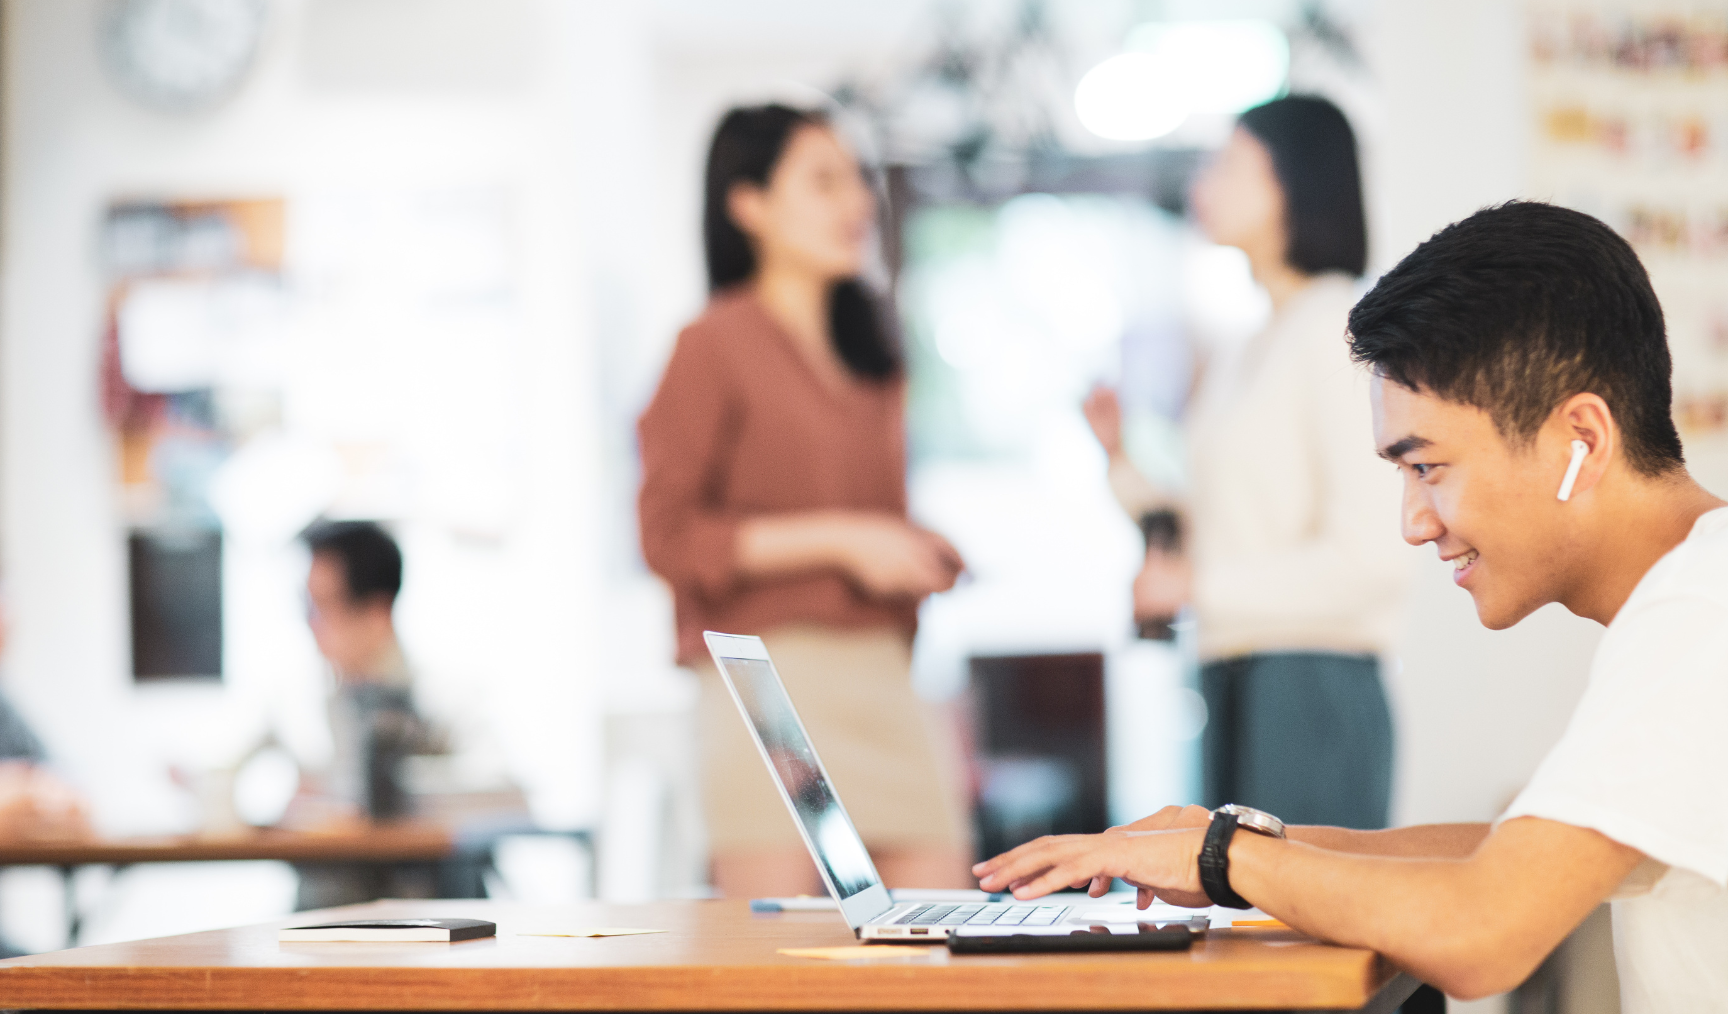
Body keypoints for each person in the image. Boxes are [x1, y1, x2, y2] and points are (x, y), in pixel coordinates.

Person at [974, 202, 1727, 1010]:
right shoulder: (1698, 592)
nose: (1413, 524)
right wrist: (1241, 841)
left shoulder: (1697, 612)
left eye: (1429, 468)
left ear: (1581, 437)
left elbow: (1483, 931)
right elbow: (1512, 856)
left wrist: (1220, 856)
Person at [637, 104, 971, 898]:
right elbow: (667, 535)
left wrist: (907, 550)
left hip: (886, 680)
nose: (856, 202)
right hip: (770, 688)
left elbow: (873, 519)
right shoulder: (710, 346)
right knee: (780, 965)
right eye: (823, 181)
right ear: (747, 205)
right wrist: (843, 540)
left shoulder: (874, 354)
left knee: (938, 948)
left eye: (856, 179)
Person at [1083, 95, 1412, 829]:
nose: (1203, 185)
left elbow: (1372, 558)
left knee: (1289, 937)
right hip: (1238, 670)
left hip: (1311, 682)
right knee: (1242, 932)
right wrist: (1119, 462)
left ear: (1295, 182)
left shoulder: (1338, 330)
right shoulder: (1251, 343)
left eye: (1228, 164)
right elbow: (1227, 522)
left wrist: (1194, 584)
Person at [289, 520, 477, 908]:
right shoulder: (297, 702)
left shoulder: (442, 698)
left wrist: (401, 787)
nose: (311, 625)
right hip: (322, 919)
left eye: (323, 606)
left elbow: (501, 785)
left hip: (423, 913)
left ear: (377, 610)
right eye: (305, 605)